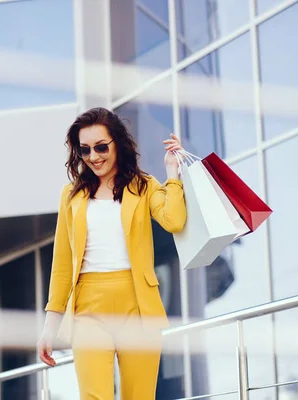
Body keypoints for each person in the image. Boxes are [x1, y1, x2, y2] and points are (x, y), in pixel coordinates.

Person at [37, 107, 187, 399]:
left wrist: (172, 173)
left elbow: (175, 220)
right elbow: (62, 266)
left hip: (138, 306)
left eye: (101, 147)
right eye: (85, 150)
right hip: (88, 308)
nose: (94, 157)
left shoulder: (143, 186)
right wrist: (49, 328)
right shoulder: (71, 196)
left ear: (117, 143)